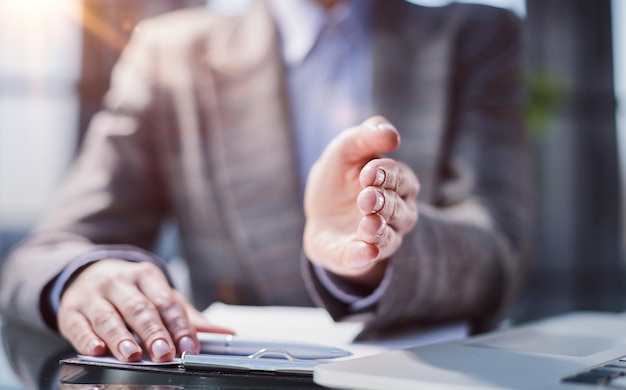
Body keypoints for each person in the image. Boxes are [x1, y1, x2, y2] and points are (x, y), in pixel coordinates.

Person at [0, 0, 533, 363]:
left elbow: (497, 253)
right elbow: (46, 251)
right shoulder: (171, 54)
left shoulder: (473, 36)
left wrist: (376, 252)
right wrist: (86, 275)